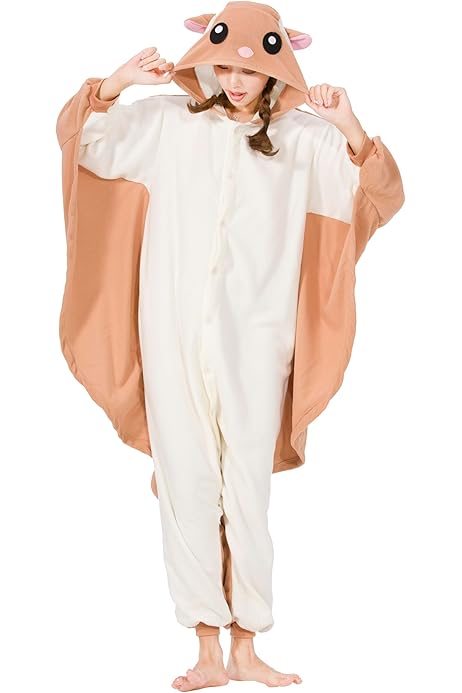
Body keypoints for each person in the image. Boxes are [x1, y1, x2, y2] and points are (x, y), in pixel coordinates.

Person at [56, 2, 405, 690]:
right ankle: (206, 647)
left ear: (278, 68)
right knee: (185, 478)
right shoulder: (166, 124)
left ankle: (247, 644)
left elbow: (379, 194)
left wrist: (350, 126)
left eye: (251, 69)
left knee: (245, 483)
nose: (237, 80)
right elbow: (81, 141)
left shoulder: (306, 141)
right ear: (205, 59)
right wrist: (117, 83)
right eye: (224, 66)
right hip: (171, 328)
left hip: (258, 337)